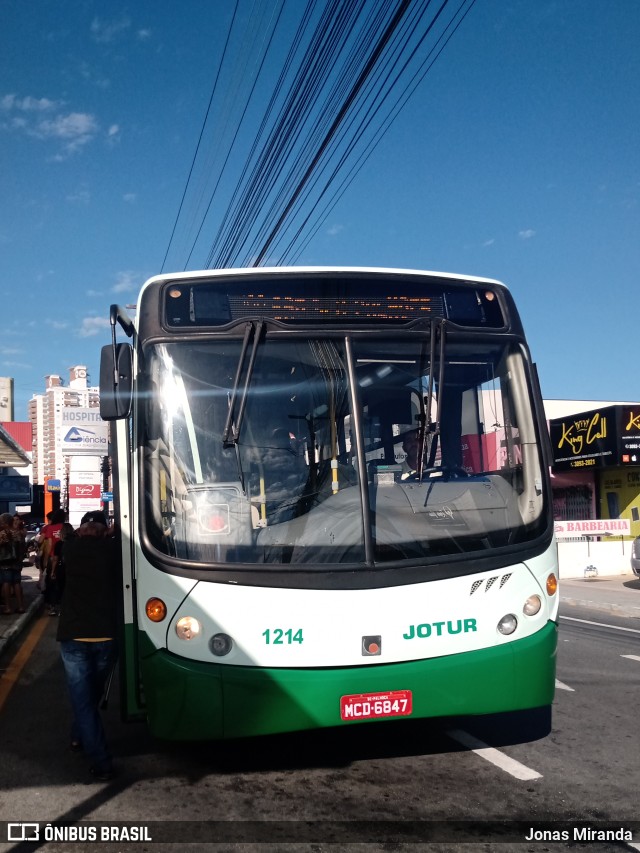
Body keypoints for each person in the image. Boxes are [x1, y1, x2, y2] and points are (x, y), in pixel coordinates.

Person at [57, 516, 120, 781]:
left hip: (74, 636)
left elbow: (65, 542)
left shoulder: (69, 549)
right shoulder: (114, 551)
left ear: (82, 530)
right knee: (90, 697)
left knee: (84, 701)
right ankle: (79, 737)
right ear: (105, 531)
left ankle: (101, 761)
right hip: (106, 636)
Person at [47, 522, 75, 616]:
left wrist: (52, 571)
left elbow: (55, 559)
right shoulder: (75, 542)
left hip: (61, 568)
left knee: (59, 588)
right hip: (73, 569)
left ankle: (56, 609)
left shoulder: (59, 544)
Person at [0, 512, 25, 614]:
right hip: (17, 561)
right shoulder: (18, 533)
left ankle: (8, 607)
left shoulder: (2, 533)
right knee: (17, 583)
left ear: (4, 522)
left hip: (5, 562)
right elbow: (21, 547)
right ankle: (20, 607)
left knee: (6, 582)